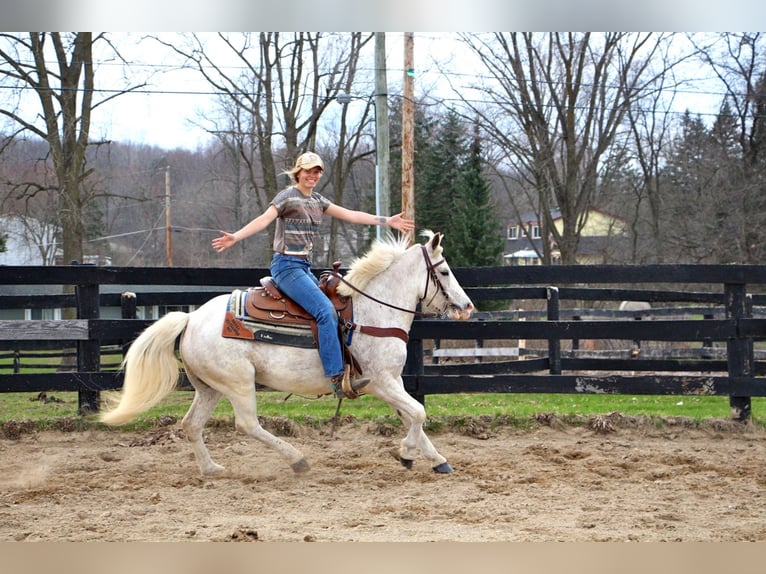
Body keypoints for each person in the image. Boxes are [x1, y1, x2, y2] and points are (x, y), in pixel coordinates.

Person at [212, 151, 415, 398]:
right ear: (298, 173)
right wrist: (236, 236)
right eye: (308, 171)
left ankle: (316, 366)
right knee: (325, 311)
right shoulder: (287, 197)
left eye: (317, 171)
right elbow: (263, 220)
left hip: (304, 268)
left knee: (336, 310)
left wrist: (386, 221)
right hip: (286, 267)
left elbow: (351, 215)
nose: (313, 175)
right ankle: (336, 378)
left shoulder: (318, 201)